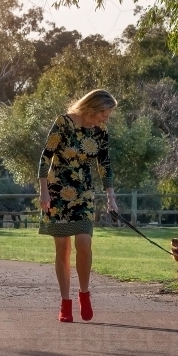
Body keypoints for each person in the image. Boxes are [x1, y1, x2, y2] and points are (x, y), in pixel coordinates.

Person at [38, 89, 119, 322]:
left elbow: (105, 163)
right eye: (105, 114)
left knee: (84, 243)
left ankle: (84, 294)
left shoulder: (101, 131)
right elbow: (45, 157)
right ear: (92, 109)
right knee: (62, 248)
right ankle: (65, 303)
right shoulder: (63, 123)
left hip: (83, 192)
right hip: (56, 191)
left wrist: (111, 196)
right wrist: (44, 191)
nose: (106, 119)